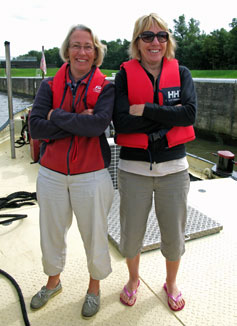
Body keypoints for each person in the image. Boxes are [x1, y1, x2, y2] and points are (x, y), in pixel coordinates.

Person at [29, 24, 114, 319]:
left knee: (95, 235)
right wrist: (76, 120)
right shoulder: (48, 86)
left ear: (96, 52)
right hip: (51, 173)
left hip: (91, 175)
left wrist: (56, 116)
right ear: (67, 51)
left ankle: (94, 288)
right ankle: (53, 282)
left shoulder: (107, 87)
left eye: (88, 46)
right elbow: (35, 126)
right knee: (51, 233)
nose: (82, 52)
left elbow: (97, 125)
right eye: (76, 46)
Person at [113, 13, 197, 311]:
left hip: (173, 169)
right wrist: (166, 115)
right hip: (133, 169)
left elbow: (188, 115)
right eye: (147, 36)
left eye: (161, 36)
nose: (155, 42)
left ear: (168, 41)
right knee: (131, 232)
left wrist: (145, 109)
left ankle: (171, 282)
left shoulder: (182, 73)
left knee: (174, 234)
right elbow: (121, 122)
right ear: (137, 43)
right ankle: (134, 279)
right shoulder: (123, 76)